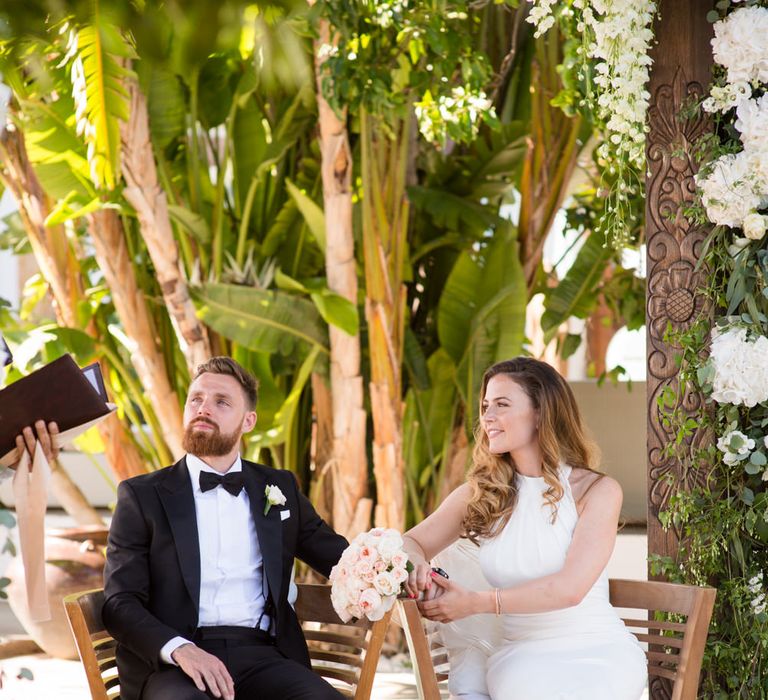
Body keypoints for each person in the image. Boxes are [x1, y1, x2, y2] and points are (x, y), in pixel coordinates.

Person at [103, 357, 348, 700]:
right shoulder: (141, 496)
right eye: (197, 399)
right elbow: (119, 602)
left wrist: (403, 572)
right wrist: (179, 650)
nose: (204, 409)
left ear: (248, 421)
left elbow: (339, 557)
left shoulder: (279, 488)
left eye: (221, 402)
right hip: (177, 664)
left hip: (265, 656)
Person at [402, 357, 646, 700]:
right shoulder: (481, 495)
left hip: (601, 652)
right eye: (485, 405)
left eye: (502, 404)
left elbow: (569, 590)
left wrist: (476, 603)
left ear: (541, 413)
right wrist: (418, 567)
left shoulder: (596, 491)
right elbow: (410, 541)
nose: (487, 417)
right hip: (524, 657)